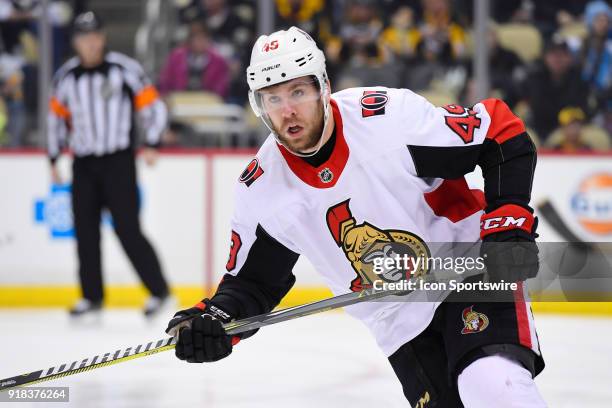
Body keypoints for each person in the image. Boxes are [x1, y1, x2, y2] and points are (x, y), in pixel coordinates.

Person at [166, 27, 546, 407]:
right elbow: (252, 283)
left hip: (467, 269)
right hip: (399, 323)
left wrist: (507, 217)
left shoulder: (387, 119)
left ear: (323, 87)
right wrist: (214, 320)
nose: (287, 111)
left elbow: (499, 134)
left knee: (494, 385)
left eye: (297, 92)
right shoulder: (261, 189)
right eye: (273, 98)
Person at [47, 11, 171, 317]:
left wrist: (153, 143)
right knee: (85, 232)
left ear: (102, 37)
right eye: (83, 37)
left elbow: (154, 107)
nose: (89, 43)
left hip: (118, 162)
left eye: (94, 36)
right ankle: (92, 297)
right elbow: (55, 121)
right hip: (84, 165)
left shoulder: (124, 69)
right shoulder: (66, 77)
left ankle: (159, 291)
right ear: (75, 41)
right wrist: (54, 156)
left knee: (128, 229)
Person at [158, 21, 230, 99]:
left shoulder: (219, 61)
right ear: (189, 40)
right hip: (180, 101)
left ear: (208, 40)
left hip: (208, 103)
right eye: (196, 39)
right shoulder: (176, 57)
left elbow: (221, 89)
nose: (199, 43)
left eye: (202, 39)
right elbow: (164, 82)